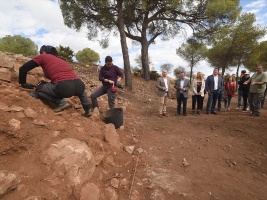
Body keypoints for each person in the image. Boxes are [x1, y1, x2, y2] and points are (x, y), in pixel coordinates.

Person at [19, 45, 92, 117]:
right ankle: (88, 109)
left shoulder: (43, 56)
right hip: (79, 84)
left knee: (39, 88)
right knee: (81, 92)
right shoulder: (61, 60)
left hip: (64, 87)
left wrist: (23, 83)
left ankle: (60, 102)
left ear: (44, 52)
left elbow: (23, 69)